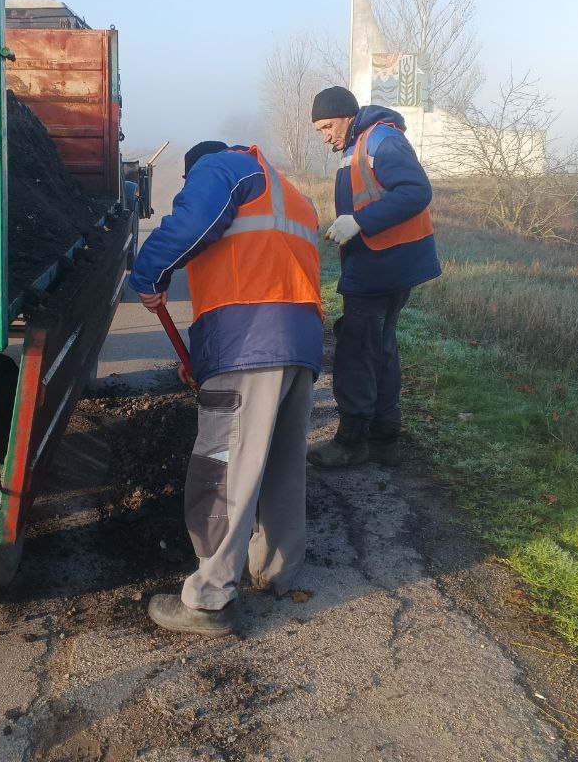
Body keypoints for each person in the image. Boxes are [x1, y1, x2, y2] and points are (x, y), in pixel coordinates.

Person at [128, 140, 323, 636]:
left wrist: (150, 273)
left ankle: (209, 599)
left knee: (225, 468)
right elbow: (256, 268)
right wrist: (207, 362)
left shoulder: (222, 168)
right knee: (280, 462)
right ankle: (276, 572)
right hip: (298, 344)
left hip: (251, 343)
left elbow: (194, 225)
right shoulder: (290, 194)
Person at [307, 85, 440, 468]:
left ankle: (352, 442)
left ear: (348, 116)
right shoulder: (357, 143)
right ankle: (385, 439)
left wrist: (360, 222)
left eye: (327, 126)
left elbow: (416, 191)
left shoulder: (381, 139)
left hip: (382, 266)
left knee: (356, 352)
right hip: (385, 264)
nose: (325, 136)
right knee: (380, 349)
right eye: (319, 130)